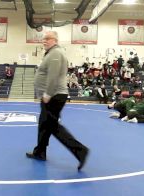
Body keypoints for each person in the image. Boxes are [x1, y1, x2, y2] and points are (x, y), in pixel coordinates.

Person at [26, 31, 89, 171]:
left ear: (55, 40)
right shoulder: (52, 53)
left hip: (53, 95)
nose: (44, 41)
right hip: (52, 95)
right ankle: (40, 152)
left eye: (47, 39)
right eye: (43, 39)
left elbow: (53, 76)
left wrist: (48, 93)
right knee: (44, 124)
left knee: (52, 126)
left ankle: (80, 150)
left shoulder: (55, 54)